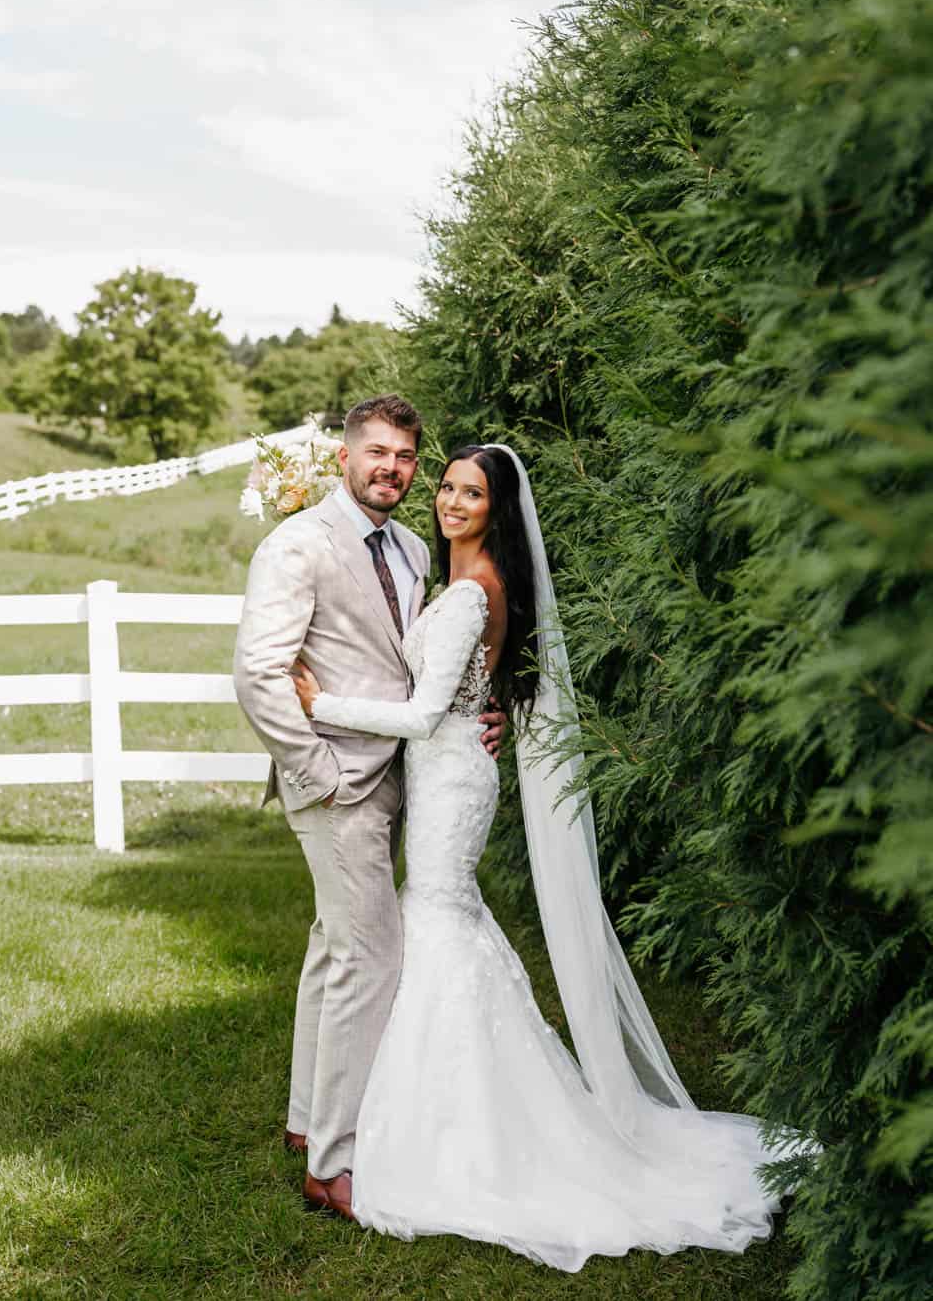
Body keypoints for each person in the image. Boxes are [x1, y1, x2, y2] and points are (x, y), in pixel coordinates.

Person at [290, 443, 797, 1271]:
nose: (453, 502)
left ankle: (440, 1124)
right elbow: (466, 691)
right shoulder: (464, 584)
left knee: (434, 922)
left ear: (497, 510)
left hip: (449, 779)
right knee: (441, 919)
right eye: (447, 487)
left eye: (472, 493)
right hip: (454, 769)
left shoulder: (468, 594)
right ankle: (398, 1107)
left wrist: (323, 703)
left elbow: (420, 716)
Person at [233, 397, 504, 1222]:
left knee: (333, 948)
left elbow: (432, 663)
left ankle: (306, 1119)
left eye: (405, 456)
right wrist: (317, 772)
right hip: (337, 783)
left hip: (402, 778)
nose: (392, 467)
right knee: (372, 957)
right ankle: (335, 1164)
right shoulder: (298, 544)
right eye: (377, 452)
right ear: (346, 456)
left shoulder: (419, 545)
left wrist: (478, 710)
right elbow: (259, 674)